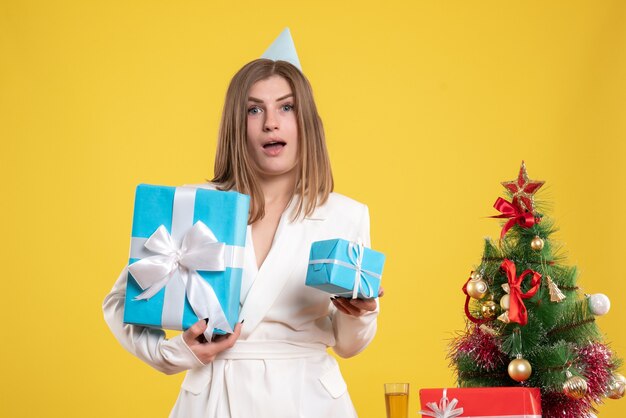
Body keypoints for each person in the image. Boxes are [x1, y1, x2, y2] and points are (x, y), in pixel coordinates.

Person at [103, 29, 382, 418]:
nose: (271, 122)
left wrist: (361, 313)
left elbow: (349, 345)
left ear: (306, 122)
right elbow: (119, 302)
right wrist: (173, 353)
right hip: (215, 397)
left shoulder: (346, 214)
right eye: (254, 109)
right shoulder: (194, 204)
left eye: (286, 107)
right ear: (238, 124)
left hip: (310, 401)